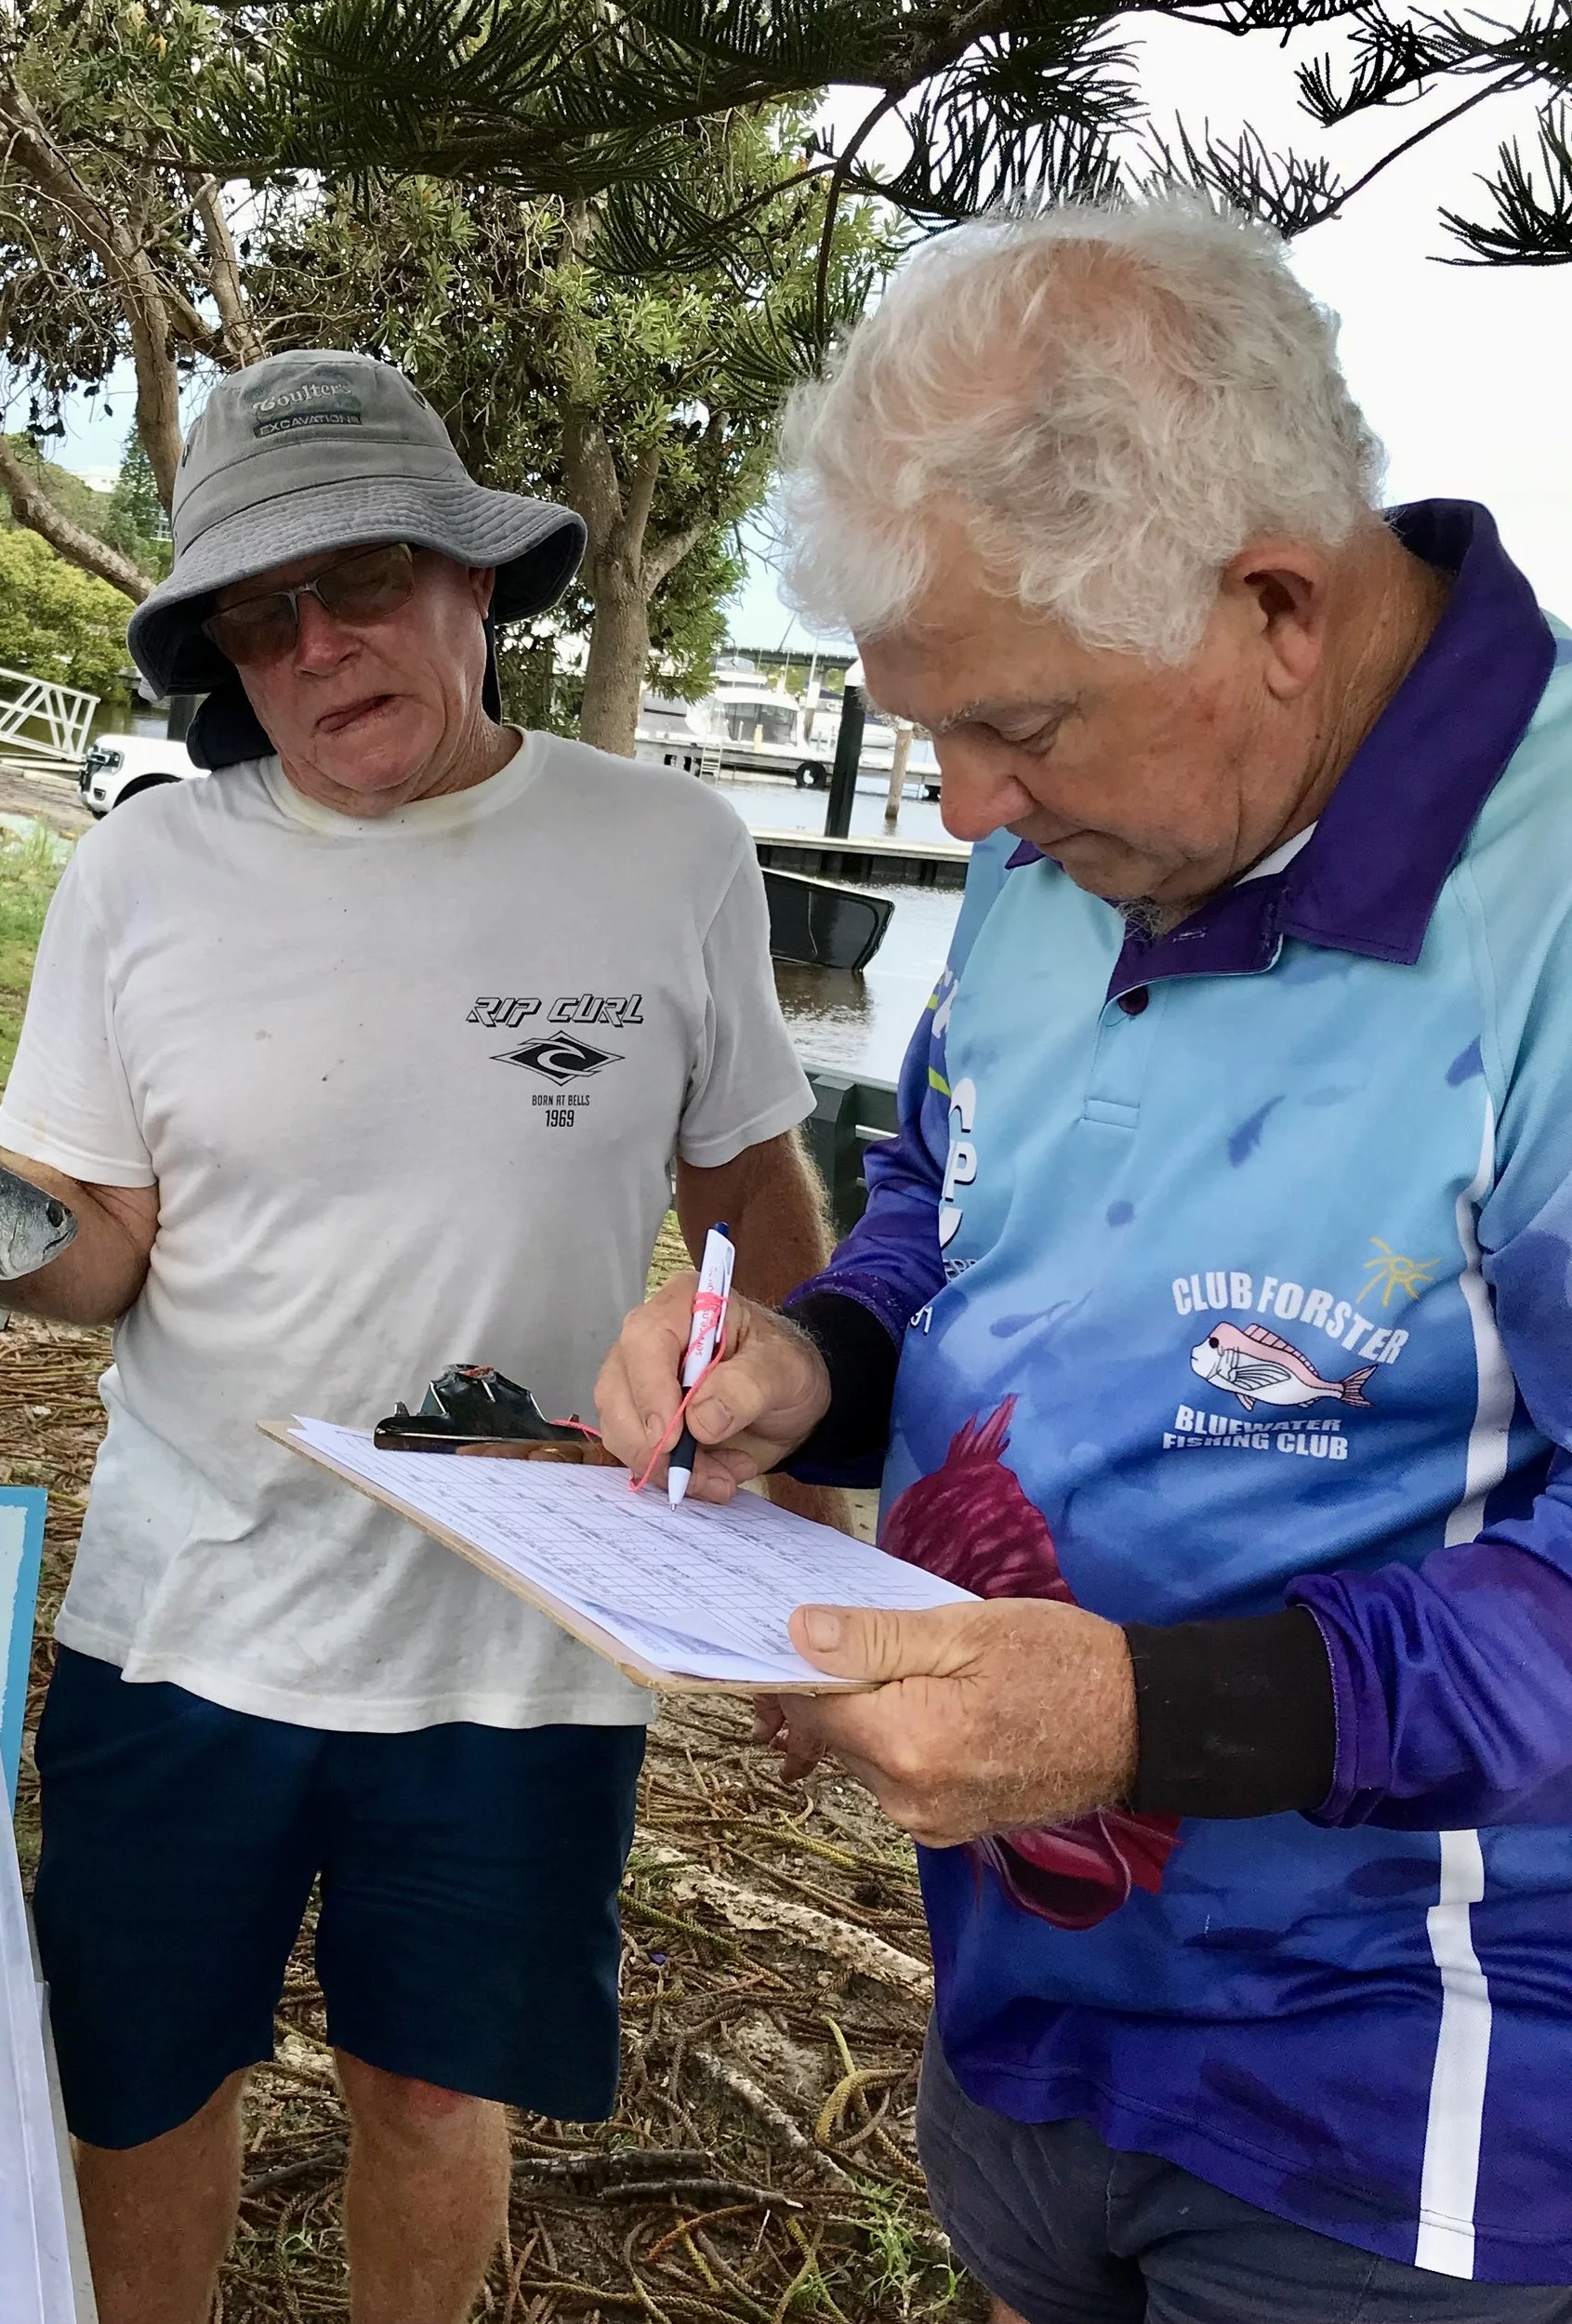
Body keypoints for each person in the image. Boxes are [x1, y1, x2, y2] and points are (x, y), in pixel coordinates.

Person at [596, 192, 1572, 2317]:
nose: (956, 811)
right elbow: (947, 1222)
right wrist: (801, 1359)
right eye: (925, 726)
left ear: (1272, 608)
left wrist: (1136, 1713)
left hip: (1406, 2110)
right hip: (1020, 2002)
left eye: (1013, 727)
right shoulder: (1088, 836)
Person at [0, 350, 838, 2324]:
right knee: (139, 2080)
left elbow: (756, 1212)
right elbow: (100, 1250)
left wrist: (809, 1535)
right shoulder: (140, 875)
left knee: (431, 2086)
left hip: (521, 1642)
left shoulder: (667, 849)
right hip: (186, 1613)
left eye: (356, 580)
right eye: (257, 620)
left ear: (474, 582)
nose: (316, 645)